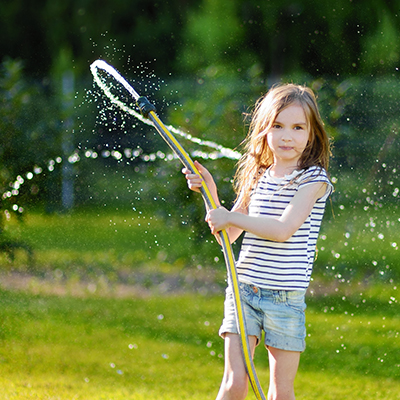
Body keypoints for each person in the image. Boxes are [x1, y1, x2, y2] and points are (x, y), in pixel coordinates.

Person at [182, 83, 333, 400]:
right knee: (235, 383)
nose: (286, 136)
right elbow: (227, 235)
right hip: (244, 292)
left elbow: (283, 229)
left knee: (281, 392)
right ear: (264, 130)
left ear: (312, 133)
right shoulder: (258, 175)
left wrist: (230, 217)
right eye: (277, 126)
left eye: (297, 127)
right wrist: (209, 189)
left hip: (286, 299)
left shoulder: (313, 180)